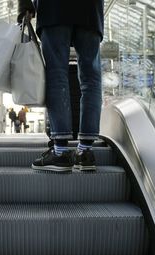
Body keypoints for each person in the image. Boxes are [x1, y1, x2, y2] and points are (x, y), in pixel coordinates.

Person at [17, 0, 104, 172]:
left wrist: (25, 6)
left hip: (53, 9)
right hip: (91, 10)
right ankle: (85, 152)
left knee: (56, 75)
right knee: (91, 80)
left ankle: (61, 152)